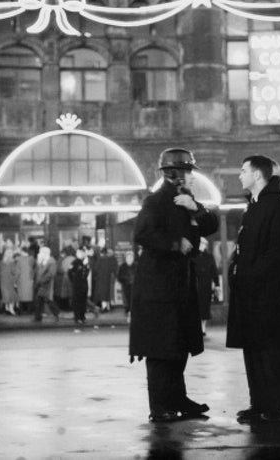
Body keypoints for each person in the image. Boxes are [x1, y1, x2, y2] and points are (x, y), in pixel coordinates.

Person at [129, 147, 219, 423]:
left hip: (179, 287)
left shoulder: (187, 199)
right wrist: (174, 243)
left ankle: (178, 399)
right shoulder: (155, 201)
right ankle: (161, 406)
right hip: (158, 289)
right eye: (189, 171)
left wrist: (196, 208)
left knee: (178, 347)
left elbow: (211, 225)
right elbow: (142, 234)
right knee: (160, 350)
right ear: (175, 174)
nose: (192, 176)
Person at [226, 155, 280, 423]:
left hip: (270, 292)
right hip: (249, 291)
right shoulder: (254, 204)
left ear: (258, 175)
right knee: (253, 348)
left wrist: (250, 274)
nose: (240, 175)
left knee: (272, 349)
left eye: (244, 170)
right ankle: (259, 404)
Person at [194, 237, 219, 336]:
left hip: (205, 286)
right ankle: (198, 328)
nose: (203, 246)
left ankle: (203, 328)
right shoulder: (193, 256)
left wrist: (217, 284)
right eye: (201, 243)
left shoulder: (209, 257)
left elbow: (214, 271)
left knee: (205, 308)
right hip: (196, 286)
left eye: (204, 244)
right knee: (197, 307)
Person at [34, 246, 60, 323]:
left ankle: (56, 313)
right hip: (42, 284)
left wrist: (42, 280)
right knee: (40, 300)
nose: (39, 254)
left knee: (47, 300)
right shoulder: (43, 261)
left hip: (47, 284)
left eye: (40, 252)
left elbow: (51, 273)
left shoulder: (51, 261)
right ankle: (38, 317)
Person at [68, 248, 90, 326]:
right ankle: (77, 317)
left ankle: (82, 316)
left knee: (83, 301)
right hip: (77, 285)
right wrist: (74, 281)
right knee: (77, 301)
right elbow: (70, 273)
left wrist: (85, 266)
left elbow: (86, 273)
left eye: (82, 253)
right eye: (79, 253)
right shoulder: (75, 262)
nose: (80, 254)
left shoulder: (85, 262)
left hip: (84, 284)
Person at [93, 247, 118, 312]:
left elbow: (96, 268)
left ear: (101, 253)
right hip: (108, 278)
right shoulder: (110, 259)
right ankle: (108, 307)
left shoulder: (100, 259)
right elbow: (114, 269)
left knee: (102, 293)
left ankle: (104, 308)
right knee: (106, 293)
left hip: (100, 279)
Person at [0, 239, 19, 315]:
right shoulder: (12, 263)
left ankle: (6, 308)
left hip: (3, 281)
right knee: (12, 295)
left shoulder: (2, 262)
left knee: (5, 295)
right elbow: (14, 271)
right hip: (10, 280)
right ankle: (11, 309)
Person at [117, 251, 137, 322]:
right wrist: (125, 280)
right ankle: (128, 310)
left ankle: (132, 312)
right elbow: (119, 276)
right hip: (126, 285)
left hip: (134, 286)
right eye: (128, 257)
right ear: (126, 258)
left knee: (133, 299)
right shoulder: (122, 266)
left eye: (131, 257)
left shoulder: (136, 266)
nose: (129, 259)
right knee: (127, 299)